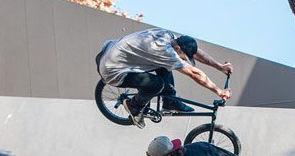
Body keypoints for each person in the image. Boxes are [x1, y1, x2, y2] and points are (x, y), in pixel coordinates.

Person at [96, 28, 232, 127]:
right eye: (184, 57)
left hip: (109, 52)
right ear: (178, 49)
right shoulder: (165, 52)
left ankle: (169, 101)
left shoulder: (169, 36)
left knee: (166, 65)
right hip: (112, 71)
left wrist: (220, 67)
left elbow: (196, 53)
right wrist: (219, 91)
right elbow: (194, 73)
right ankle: (133, 105)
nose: (185, 60)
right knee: (157, 84)